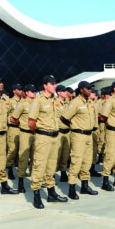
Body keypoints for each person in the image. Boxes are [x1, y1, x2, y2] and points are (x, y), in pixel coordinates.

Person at [28, 75, 68, 209]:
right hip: (43, 137)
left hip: (54, 137)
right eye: (51, 84)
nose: (54, 85)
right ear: (45, 86)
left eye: (55, 83)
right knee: (39, 166)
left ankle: (51, 194)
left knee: (51, 167)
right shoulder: (38, 100)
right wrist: (40, 133)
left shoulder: (55, 100)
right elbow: (31, 122)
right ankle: (37, 196)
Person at [61, 81, 98, 199]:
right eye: (88, 88)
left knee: (87, 161)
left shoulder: (90, 102)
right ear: (81, 90)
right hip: (78, 135)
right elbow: (64, 118)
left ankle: (84, 186)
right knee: (76, 161)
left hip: (88, 135)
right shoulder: (75, 102)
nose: (90, 90)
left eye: (90, 88)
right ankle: (72, 188)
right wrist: (74, 125)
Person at [11, 84, 37, 193]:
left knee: (36, 158)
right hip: (25, 134)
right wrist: (22, 124)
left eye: (34, 91)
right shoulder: (22, 104)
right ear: (26, 93)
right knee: (23, 159)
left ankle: (35, 181)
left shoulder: (37, 103)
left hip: (36, 134)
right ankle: (20, 182)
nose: (34, 92)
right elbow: (13, 118)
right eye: (31, 91)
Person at [6, 83, 23, 180]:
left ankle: (19, 170)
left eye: (21, 89)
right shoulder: (10, 102)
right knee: (12, 150)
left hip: (22, 128)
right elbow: (6, 114)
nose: (20, 91)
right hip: (13, 128)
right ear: (14, 91)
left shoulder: (24, 102)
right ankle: (10, 170)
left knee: (21, 150)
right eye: (18, 89)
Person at [55, 84, 71, 182]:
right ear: (58, 92)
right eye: (63, 91)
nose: (66, 92)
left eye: (66, 91)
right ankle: (51, 174)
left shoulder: (68, 103)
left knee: (65, 154)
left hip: (67, 132)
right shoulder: (54, 102)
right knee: (56, 155)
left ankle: (63, 172)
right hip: (58, 132)